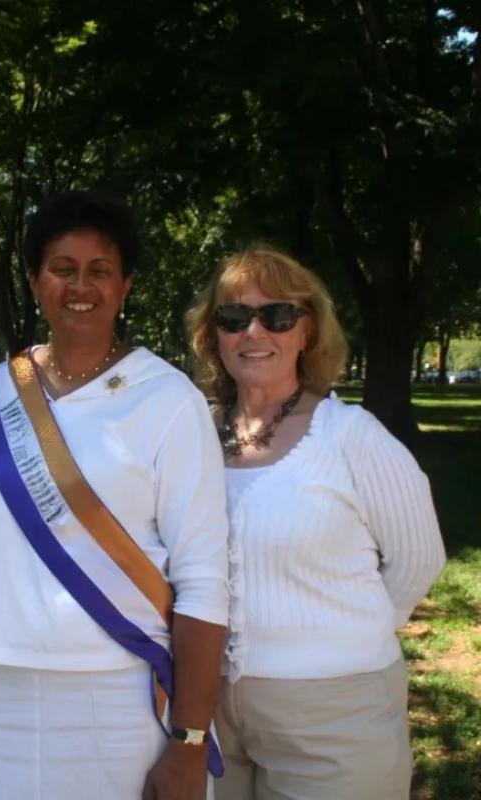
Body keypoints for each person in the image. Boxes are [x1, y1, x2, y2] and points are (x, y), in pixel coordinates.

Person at [0, 190, 230, 800]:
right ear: (34, 280)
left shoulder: (168, 399)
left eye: (99, 270)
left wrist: (189, 741)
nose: (81, 286)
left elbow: (205, 579)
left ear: (125, 285)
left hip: (119, 694)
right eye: (62, 268)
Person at [186, 245, 446, 800]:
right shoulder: (191, 435)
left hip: (334, 714)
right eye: (234, 318)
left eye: (277, 315)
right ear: (214, 335)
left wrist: (351, 633)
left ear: (307, 332)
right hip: (207, 712)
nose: (255, 332)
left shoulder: (350, 436)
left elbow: (419, 559)